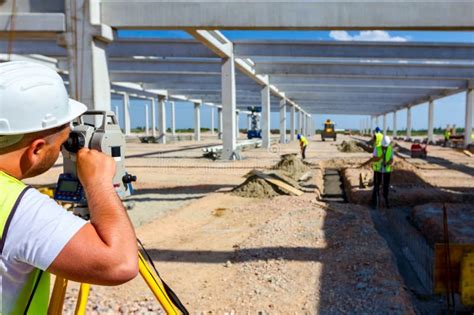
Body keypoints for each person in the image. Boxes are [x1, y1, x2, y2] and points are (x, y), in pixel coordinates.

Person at [0, 61, 138, 313]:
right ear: (37, 148)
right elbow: (121, 263)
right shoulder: (19, 208)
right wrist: (98, 183)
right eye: (64, 142)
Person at [360, 135, 393, 209]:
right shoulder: (377, 149)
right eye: (384, 146)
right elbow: (374, 159)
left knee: (386, 186)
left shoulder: (390, 149)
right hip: (378, 170)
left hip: (387, 170)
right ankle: (374, 202)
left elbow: (391, 159)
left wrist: (387, 163)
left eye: (386, 146)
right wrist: (380, 157)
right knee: (376, 186)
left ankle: (386, 201)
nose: (385, 147)